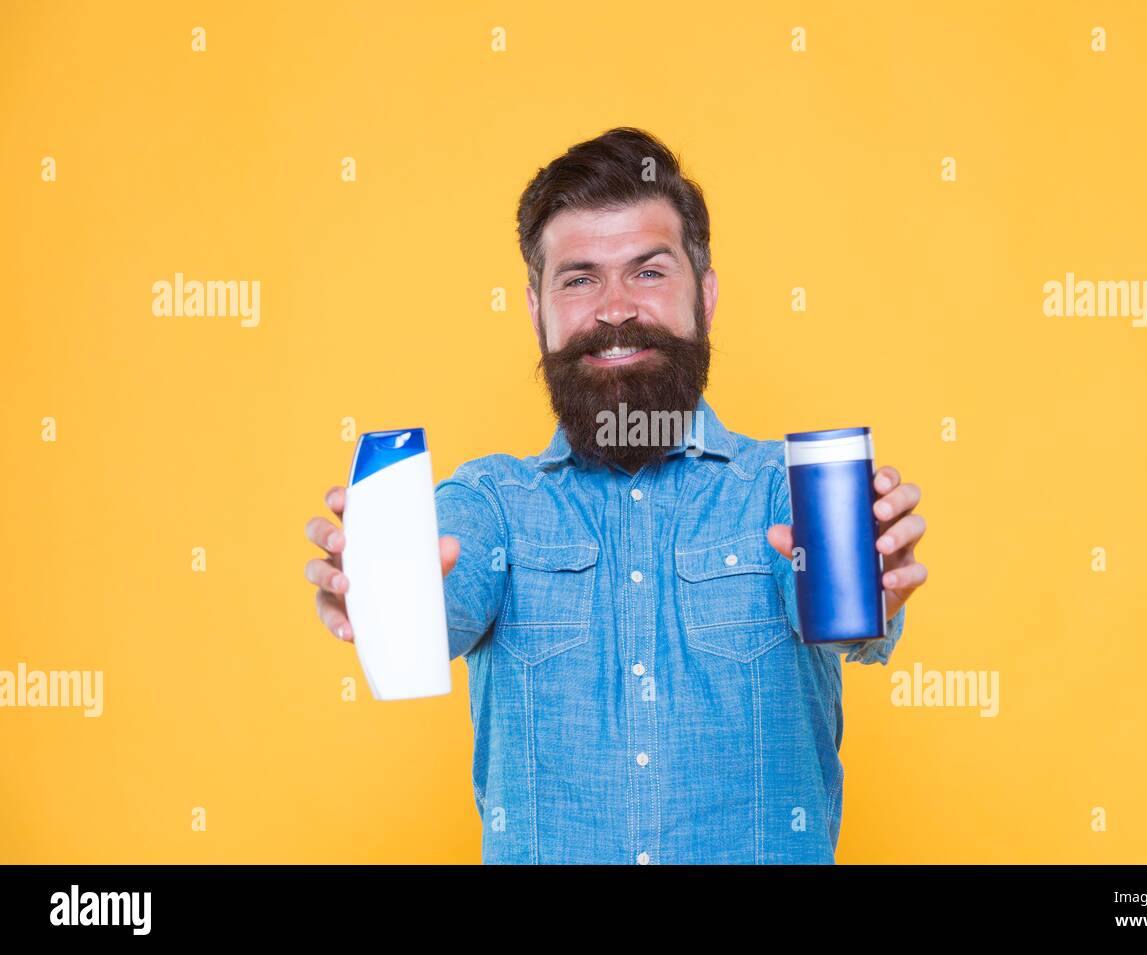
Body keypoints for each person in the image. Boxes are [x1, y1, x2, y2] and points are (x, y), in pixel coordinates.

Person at [304, 127, 929, 863]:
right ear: (536, 309)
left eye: (649, 272)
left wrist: (869, 580)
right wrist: (385, 597)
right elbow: (439, 598)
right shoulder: (491, 501)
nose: (615, 308)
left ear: (708, 293)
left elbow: (848, 618)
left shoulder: (786, 493)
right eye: (580, 278)